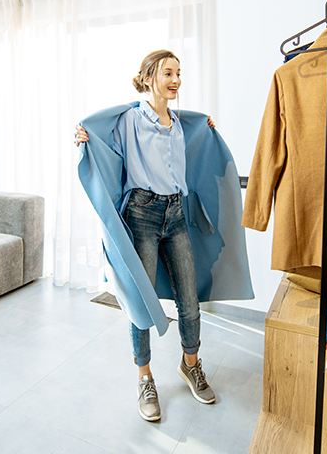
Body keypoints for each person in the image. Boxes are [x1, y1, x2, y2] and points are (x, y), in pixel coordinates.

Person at [75, 49, 218, 422]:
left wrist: (208, 129)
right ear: (150, 76)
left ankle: (191, 365)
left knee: (190, 298)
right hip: (142, 214)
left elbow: (196, 150)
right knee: (141, 302)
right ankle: (145, 376)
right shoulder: (129, 120)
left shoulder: (180, 122)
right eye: (169, 73)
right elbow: (105, 145)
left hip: (176, 214)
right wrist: (84, 138)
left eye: (179, 73)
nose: (176, 80)